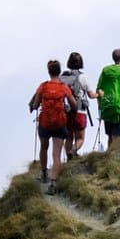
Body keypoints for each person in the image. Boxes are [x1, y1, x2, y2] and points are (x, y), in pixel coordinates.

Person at [28, 60, 75, 192]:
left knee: (44, 147)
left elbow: (36, 105)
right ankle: (53, 183)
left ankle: (44, 173)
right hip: (60, 123)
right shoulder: (63, 87)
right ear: (59, 71)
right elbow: (74, 105)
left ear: (49, 72)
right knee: (56, 154)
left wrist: (33, 106)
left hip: (45, 123)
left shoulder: (43, 87)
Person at [61, 51, 97, 157]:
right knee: (80, 138)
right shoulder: (83, 77)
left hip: (66, 111)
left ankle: (68, 158)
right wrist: (99, 95)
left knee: (68, 137)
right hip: (79, 111)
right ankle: (73, 151)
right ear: (81, 63)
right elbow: (91, 95)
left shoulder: (62, 77)